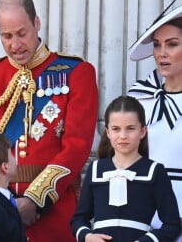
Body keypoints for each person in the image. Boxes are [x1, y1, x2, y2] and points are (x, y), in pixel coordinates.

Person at [0, 0, 98, 241]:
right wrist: (3, 200)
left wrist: (36, 199)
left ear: (37, 23)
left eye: (22, 33)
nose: (15, 44)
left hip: (55, 215)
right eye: (6, 36)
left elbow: (77, 145)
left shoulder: (76, 72)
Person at [71, 95, 181, 242]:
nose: (123, 136)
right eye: (116, 129)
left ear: (142, 131)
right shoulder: (96, 169)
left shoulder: (155, 171)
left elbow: (172, 225)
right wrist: (88, 236)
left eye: (130, 129)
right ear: (108, 132)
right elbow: (79, 219)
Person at [128, 5, 182, 241]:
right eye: (157, 44)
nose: (162, 53)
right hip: (143, 211)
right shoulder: (138, 99)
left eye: (172, 44)